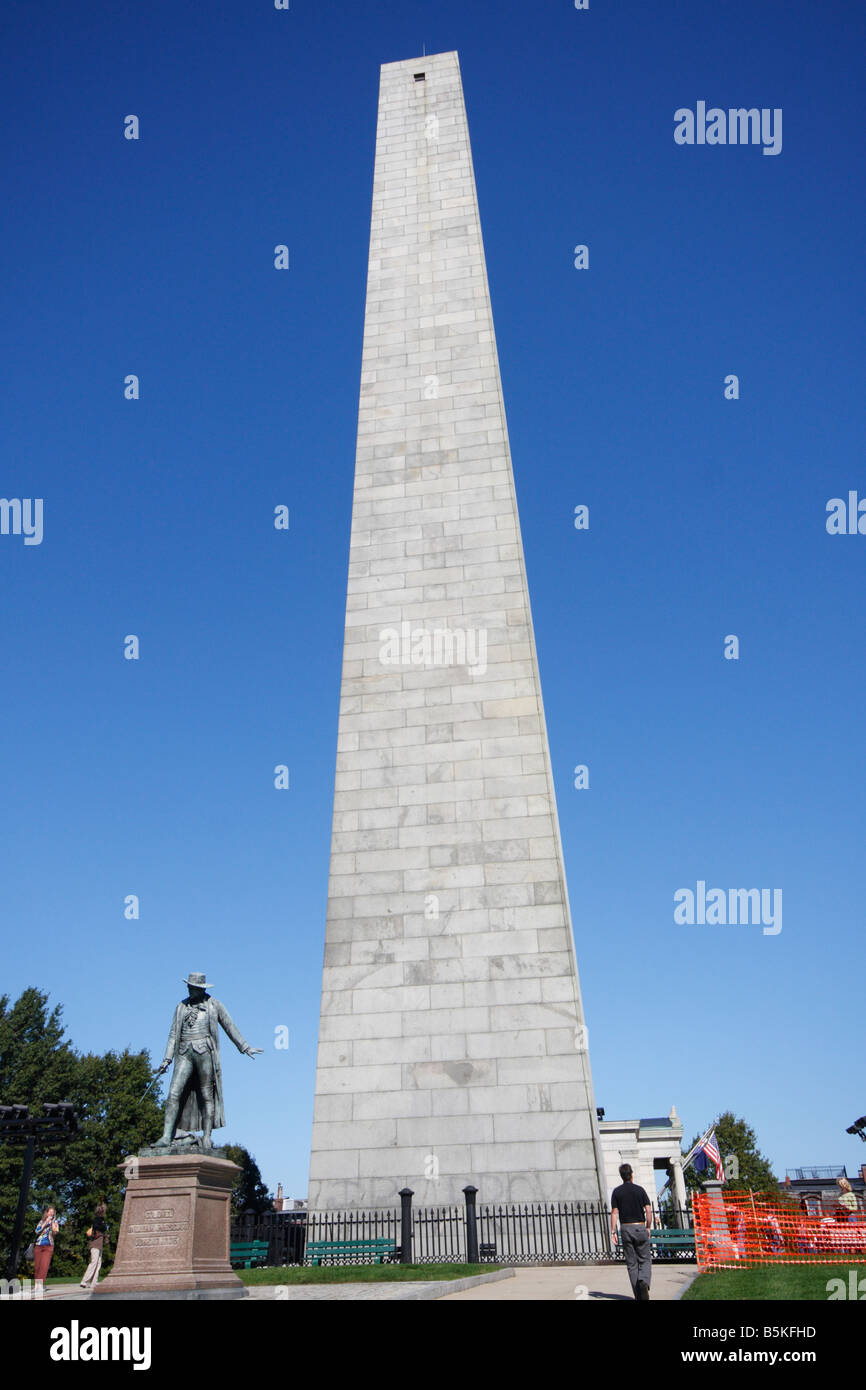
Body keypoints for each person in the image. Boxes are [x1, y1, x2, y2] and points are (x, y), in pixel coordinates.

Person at [153, 973, 262, 1151]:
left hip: (205, 1052)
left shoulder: (214, 1005)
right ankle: (166, 1136)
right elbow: (173, 1034)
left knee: (206, 1096)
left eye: (193, 987)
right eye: (189, 986)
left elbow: (229, 1026)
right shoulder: (181, 1006)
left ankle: (207, 1137)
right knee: (173, 1093)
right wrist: (166, 1059)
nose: (189, 989)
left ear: (201, 988)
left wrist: (245, 1047)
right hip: (184, 1052)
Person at [611, 1163, 653, 1300]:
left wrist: (613, 1231)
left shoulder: (617, 1192)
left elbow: (614, 1213)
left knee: (631, 1263)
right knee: (645, 1259)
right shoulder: (640, 1190)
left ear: (621, 1176)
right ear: (631, 1174)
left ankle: (638, 1295)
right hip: (639, 1226)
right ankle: (644, 1281)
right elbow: (648, 1210)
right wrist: (648, 1226)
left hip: (625, 1228)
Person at [79, 1203, 108, 1289]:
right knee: (94, 1262)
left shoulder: (100, 1220)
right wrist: (103, 1226)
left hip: (99, 1244)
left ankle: (94, 1282)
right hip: (95, 1244)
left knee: (98, 1263)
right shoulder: (98, 1220)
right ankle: (84, 1281)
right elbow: (101, 1227)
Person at [33, 1206, 59, 1287]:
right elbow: (37, 1231)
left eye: (52, 1212)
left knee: (44, 1265)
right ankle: (36, 1284)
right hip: (39, 1245)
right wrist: (45, 1223)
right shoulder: (41, 1221)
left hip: (48, 1246)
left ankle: (40, 1284)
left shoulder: (55, 1222)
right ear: (46, 1213)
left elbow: (55, 1233)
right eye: (50, 1212)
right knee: (37, 1266)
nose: (51, 1213)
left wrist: (54, 1226)